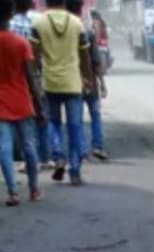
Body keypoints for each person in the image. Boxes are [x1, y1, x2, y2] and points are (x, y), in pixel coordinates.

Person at [31, 0, 93, 185]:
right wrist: (88, 78)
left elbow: (33, 56)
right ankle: (75, 170)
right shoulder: (76, 23)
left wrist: (34, 79)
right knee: (75, 126)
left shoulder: (39, 23)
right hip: (73, 82)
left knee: (53, 123)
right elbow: (84, 55)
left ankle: (58, 156)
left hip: (50, 82)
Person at [0, 0, 43, 204]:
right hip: (22, 101)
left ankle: (13, 192)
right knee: (29, 146)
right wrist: (40, 107)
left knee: (4, 148)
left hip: (1, 105)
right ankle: (34, 190)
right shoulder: (21, 43)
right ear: (10, 15)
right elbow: (31, 77)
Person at [67, 0, 104, 160]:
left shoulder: (64, 32)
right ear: (81, 10)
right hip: (90, 81)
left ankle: (81, 148)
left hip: (73, 81)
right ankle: (98, 146)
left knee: (77, 117)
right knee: (95, 113)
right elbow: (96, 61)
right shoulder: (87, 31)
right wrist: (102, 83)